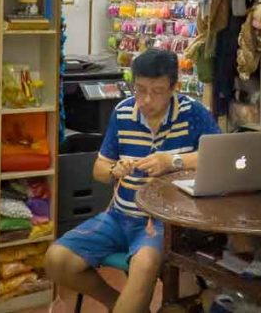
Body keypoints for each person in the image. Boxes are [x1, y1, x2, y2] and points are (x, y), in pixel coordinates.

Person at [45, 49, 221, 313]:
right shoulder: (123, 112)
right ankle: (116, 302)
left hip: (163, 222)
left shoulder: (193, 113)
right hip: (119, 216)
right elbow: (99, 169)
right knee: (56, 260)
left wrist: (171, 162)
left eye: (157, 91)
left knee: (145, 264)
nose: (146, 99)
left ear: (174, 87)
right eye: (140, 89)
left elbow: (219, 155)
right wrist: (116, 169)